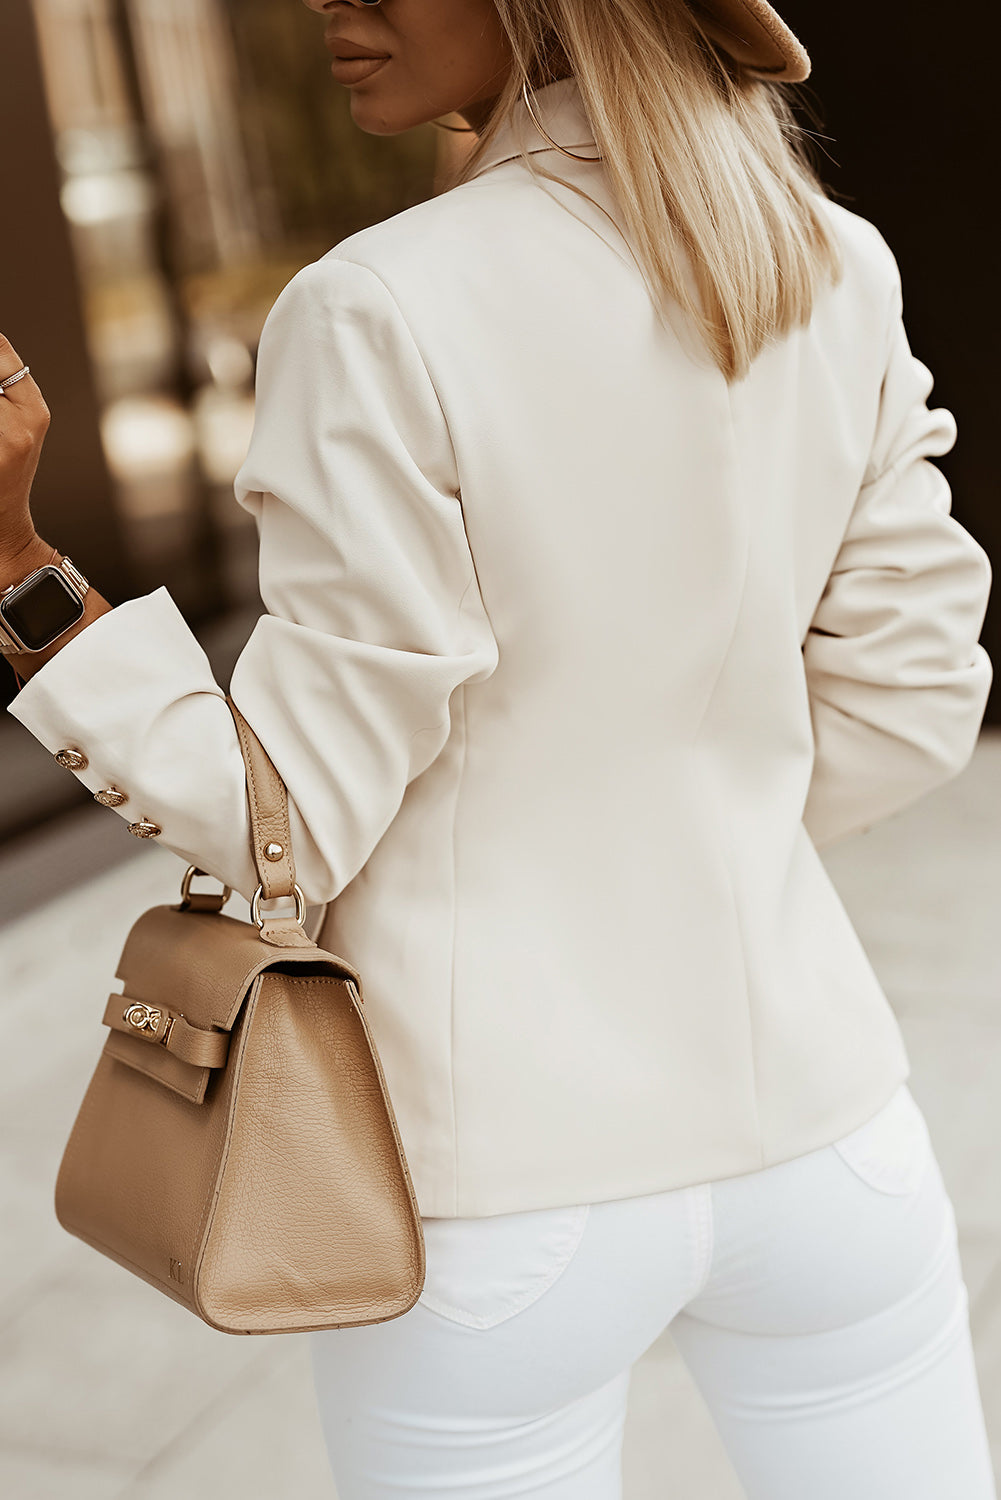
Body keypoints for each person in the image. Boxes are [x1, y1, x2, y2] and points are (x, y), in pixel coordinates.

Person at [0, 0, 996, 1495]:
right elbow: (916, 699)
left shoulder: (378, 304)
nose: (332, 6)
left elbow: (282, 824)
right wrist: (690, 855)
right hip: (826, 1144)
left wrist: (24, 576)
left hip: (502, 1197)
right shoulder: (829, 260)